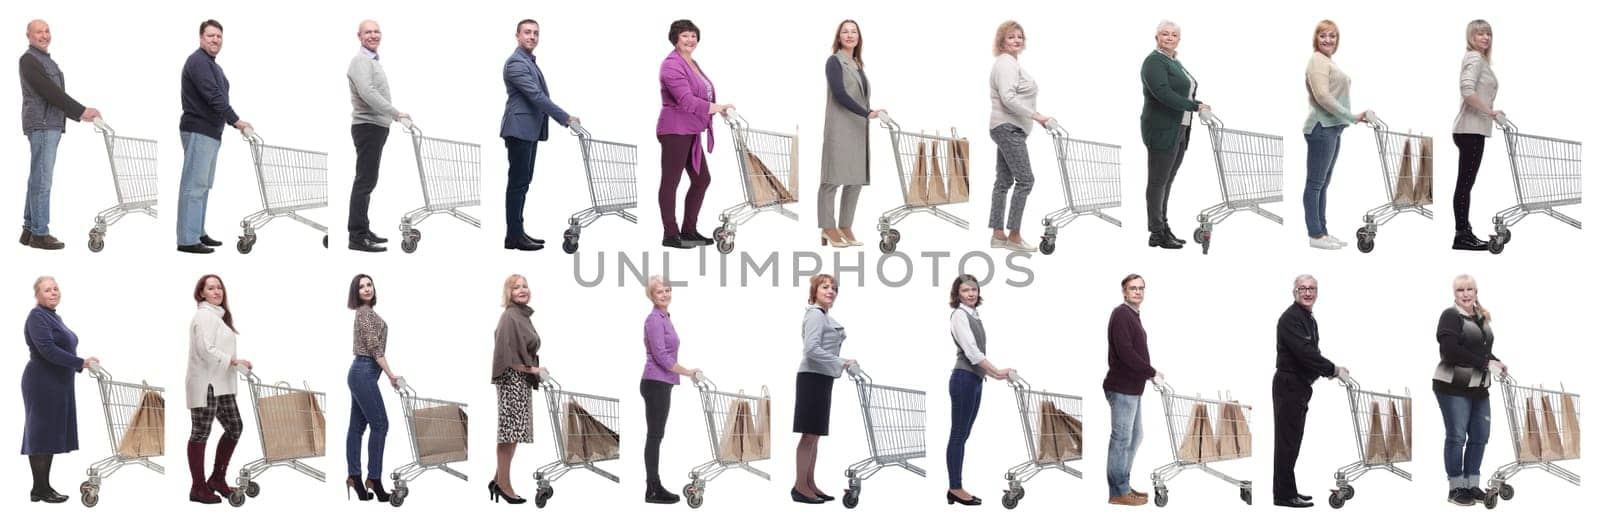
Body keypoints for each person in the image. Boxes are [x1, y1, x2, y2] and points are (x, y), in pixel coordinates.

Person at [19, 20, 100, 251]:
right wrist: (81, 111)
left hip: (49, 124)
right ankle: (40, 233)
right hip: (43, 125)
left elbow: (53, 93)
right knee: (43, 180)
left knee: (37, 177)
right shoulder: (29, 60)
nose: (44, 35)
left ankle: (29, 229)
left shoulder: (46, 60)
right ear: (28, 36)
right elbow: (50, 92)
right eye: (39, 32)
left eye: (47, 31)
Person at [1272, 275, 1350, 508]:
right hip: (1289, 385)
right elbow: (1305, 353)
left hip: (1299, 386)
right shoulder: (1290, 319)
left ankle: (1287, 490)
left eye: (1312, 289)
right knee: (1287, 442)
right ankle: (1284, 496)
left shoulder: (1307, 318)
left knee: (1292, 442)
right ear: (1294, 292)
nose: (1308, 293)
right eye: (1302, 289)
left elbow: (1311, 353)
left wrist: (1328, 371)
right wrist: (1332, 370)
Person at [501, 19, 578, 252]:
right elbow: (536, 97)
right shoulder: (516, 62)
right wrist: (565, 117)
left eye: (535, 33)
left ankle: (516, 233)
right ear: (517, 35)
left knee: (522, 183)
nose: (532, 36)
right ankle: (514, 236)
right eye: (527, 32)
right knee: (518, 184)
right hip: (519, 129)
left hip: (529, 131)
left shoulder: (529, 62)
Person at [22, 276, 100, 503]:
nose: (54, 292)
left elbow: (60, 347)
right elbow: (47, 350)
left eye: (56, 288)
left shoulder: (53, 317)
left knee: (48, 434)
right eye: (47, 290)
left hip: (57, 382)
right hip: (42, 383)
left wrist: (81, 362)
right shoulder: (37, 316)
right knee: (41, 434)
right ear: (37, 295)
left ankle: (41, 488)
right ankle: (41, 489)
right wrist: (80, 362)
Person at [657, 19, 733, 249]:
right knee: (671, 182)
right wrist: (716, 108)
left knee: (702, 179)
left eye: (693, 35)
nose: (690, 40)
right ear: (675, 39)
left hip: (691, 130)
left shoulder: (691, 62)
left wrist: (717, 109)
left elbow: (703, 95)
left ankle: (688, 231)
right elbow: (686, 100)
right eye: (685, 36)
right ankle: (670, 234)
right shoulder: (671, 65)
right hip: (675, 130)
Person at [176, 20, 249, 254]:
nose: (215, 40)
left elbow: (218, 96)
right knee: (194, 186)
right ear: (200, 38)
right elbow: (213, 96)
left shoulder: (212, 65)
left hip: (211, 132)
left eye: (219, 36)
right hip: (199, 129)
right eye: (210, 36)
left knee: (203, 185)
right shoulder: (198, 61)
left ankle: (197, 232)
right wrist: (235, 120)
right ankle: (187, 240)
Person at [1434, 274, 1505, 506]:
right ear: (1454, 294)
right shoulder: (1450, 316)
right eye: (1460, 290)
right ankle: (1455, 488)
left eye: (1469, 289)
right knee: (1456, 436)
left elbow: (1481, 350)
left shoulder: (1481, 317)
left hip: (1479, 386)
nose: (1465, 294)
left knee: (1480, 436)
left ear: (1476, 292)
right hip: (1453, 386)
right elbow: (1450, 350)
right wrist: (1486, 364)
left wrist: (1496, 361)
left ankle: (1472, 484)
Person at [1140, 21, 1210, 250]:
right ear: (1156, 36)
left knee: (1167, 181)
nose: (1169, 37)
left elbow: (1182, 91)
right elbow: (1162, 93)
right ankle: (1157, 231)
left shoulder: (1174, 62)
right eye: (1164, 34)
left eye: (1174, 35)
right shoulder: (1153, 61)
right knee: (1158, 182)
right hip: (1162, 129)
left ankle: (1162, 227)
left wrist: (1196, 105)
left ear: (1179, 39)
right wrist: (1194, 106)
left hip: (1180, 128)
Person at [185, 274, 253, 504]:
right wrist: (233, 361)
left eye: (219, 288)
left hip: (221, 383)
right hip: (206, 384)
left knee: (235, 427)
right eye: (211, 288)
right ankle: (198, 487)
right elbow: (206, 349)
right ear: (201, 293)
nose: (217, 292)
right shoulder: (204, 316)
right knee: (201, 433)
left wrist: (236, 362)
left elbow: (217, 349)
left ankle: (217, 478)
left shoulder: (218, 317)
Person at [945, 274, 1012, 506]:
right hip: (963, 379)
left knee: (963, 435)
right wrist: (996, 370)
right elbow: (972, 353)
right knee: (957, 435)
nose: (971, 294)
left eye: (974, 289)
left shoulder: (974, 314)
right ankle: (955, 487)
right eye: (965, 291)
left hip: (974, 380)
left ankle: (956, 486)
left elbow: (977, 355)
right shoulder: (959, 315)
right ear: (957, 294)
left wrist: (995, 375)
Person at [1302, 20, 1370, 250]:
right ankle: (1315, 234)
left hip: (1332, 127)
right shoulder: (1317, 61)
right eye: (1323, 35)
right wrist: (1351, 116)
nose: (1328, 40)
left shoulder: (1327, 61)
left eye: (1332, 36)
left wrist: (1347, 119)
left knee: (1323, 184)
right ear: (1316, 38)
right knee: (1315, 184)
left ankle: (1322, 231)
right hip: (1321, 128)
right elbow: (1322, 96)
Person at [987, 21, 1051, 253]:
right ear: (1002, 41)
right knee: (1026, 180)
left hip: (1007, 128)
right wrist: (1037, 116)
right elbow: (1008, 98)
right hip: (1008, 127)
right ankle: (1014, 236)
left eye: (1020, 37)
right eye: (1011, 37)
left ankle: (997, 235)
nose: (1016, 40)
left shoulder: (1012, 63)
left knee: (1004, 182)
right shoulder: (1006, 64)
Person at [818, 19, 882, 248]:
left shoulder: (857, 64)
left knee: (854, 179)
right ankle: (828, 227)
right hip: (841, 127)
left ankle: (845, 225)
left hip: (857, 128)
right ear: (838, 37)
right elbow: (840, 94)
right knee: (832, 179)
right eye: (845, 31)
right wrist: (868, 113)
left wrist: (867, 114)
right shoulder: (834, 62)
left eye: (854, 31)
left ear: (859, 38)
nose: (849, 35)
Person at [346, 20, 409, 253]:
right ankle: (357, 236)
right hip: (368, 126)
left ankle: (363, 229)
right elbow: (368, 93)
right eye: (368, 32)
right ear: (359, 36)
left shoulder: (371, 61)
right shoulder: (360, 62)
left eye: (376, 31)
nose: (373, 35)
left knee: (368, 181)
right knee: (364, 181)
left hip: (375, 127)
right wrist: (395, 113)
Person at [792, 274, 854, 504]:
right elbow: (811, 349)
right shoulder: (815, 315)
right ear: (815, 291)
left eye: (834, 288)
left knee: (815, 435)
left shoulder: (824, 316)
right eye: (825, 287)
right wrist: (842, 362)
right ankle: (800, 486)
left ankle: (809, 483)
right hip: (812, 377)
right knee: (809, 435)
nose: (831, 291)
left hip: (822, 377)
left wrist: (838, 364)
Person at [639, 275, 701, 504]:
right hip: (655, 382)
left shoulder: (665, 317)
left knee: (657, 435)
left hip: (662, 383)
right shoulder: (654, 319)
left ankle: (654, 486)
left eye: (667, 290)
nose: (665, 294)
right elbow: (661, 357)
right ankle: (652, 488)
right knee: (654, 436)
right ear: (651, 296)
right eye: (659, 292)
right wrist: (688, 371)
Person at [489, 274, 546, 504]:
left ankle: (497, 479)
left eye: (525, 286)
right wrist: (532, 370)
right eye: (516, 287)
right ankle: (504, 484)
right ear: (508, 293)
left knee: (513, 435)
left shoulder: (522, 315)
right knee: (509, 434)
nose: (522, 290)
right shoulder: (509, 317)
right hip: (512, 380)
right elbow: (505, 355)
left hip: (520, 381)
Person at [1104, 274, 1159, 506]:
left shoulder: (1133, 315)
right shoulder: (1121, 314)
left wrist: (1148, 373)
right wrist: (1151, 372)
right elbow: (1126, 352)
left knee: (1135, 436)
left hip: (1133, 389)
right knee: (1122, 438)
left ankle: (1124, 484)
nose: (1138, 292)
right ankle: (1118, 491)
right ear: (1124, 292)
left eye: (1141, 288)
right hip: (1122, 387)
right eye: (1133, 288)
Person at [1450, 20, 1503, 251]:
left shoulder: (1480, 60)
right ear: (1471, 36)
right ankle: (1462, 235)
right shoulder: (1474, 58)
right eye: (1480, 33)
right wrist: (1490, 111)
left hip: (1472, 130)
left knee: (1465, 185)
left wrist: (1489, 113)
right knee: (1464, 185)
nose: (1485, 38)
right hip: (1470, 130)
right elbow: (1467, 90)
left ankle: (1463, 233)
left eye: (1488, 34)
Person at [345, 274, 399, 501]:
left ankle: (355, 478)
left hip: (362, 373)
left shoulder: (368, 312)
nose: (367, 289)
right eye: (361, 287)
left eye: (369, 285)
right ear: (355, 293)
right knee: (381, 424)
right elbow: (375, 349)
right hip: (364, 372)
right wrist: (391, 375)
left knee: (357, 428)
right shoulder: (365, 314)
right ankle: (373, 479)